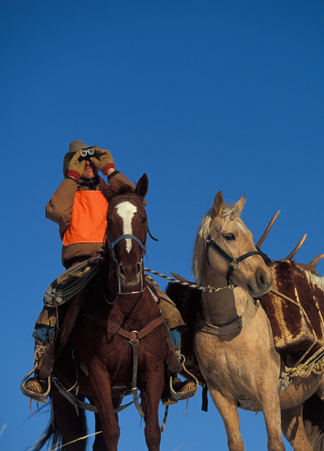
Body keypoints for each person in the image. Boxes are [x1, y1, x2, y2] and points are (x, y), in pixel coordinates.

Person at [22, 140, 195, 403]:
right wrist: (73, 174)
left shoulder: (109, 193)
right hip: (79, 267)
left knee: (164, 304)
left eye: (91, 161)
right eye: (82, 161)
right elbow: (55, 211)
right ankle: (42, 371)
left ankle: (174, 371)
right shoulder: (69, 193)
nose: (88, 165)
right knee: (52, 304)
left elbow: (138, 199)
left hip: (114, 262)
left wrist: (110, 169)